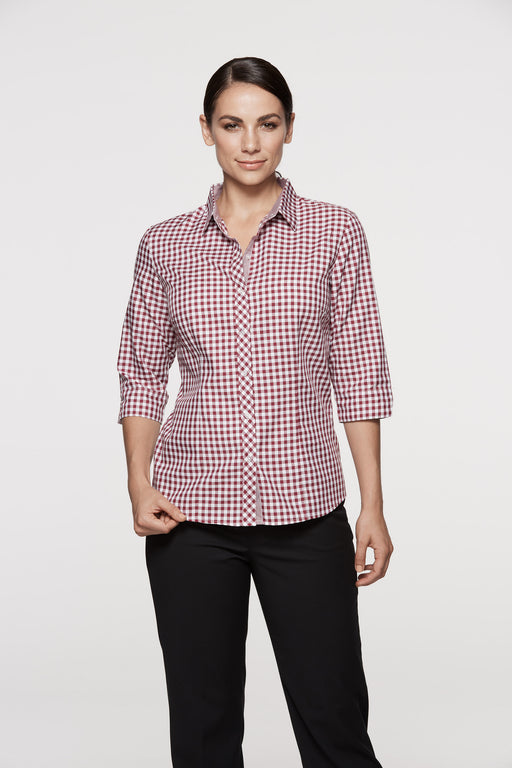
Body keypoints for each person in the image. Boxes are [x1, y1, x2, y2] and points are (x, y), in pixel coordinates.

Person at [117, 56, 393, 768]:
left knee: (333, 718)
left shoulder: (335, 232)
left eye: (267, 124)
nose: (249, 143)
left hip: (306, 512)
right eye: (231, 125)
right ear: (206, 129)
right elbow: (141, 373)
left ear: (289, 129)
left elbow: (359, 372)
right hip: (189, 518)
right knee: (203, 728)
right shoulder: (164, 245)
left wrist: (372, 505)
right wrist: (138, 482)